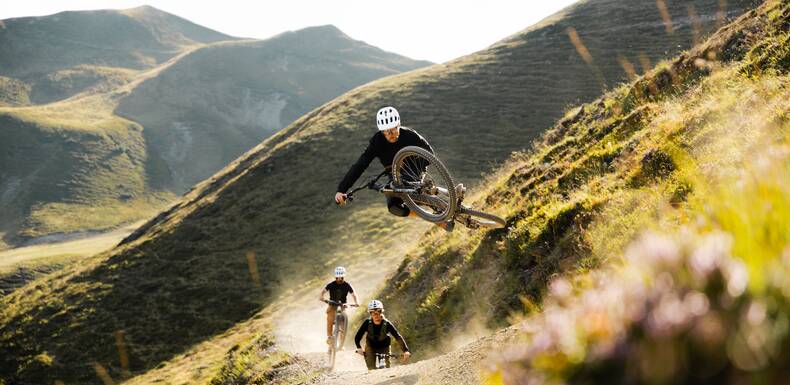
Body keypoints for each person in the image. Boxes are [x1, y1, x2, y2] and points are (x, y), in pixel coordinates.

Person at [334, 106, 454, 231]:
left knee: (410, 191)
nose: (391, 135)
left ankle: (439, 197)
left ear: (399, 125)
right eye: (387, 132)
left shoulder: (410, 135)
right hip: (394, 175)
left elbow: (429, 154)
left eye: (394, 129)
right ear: (382, 131)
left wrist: (416, 167)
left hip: (414, 170)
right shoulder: (377, 142)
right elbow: (360, 165)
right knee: (394, 208)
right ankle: (435, 219)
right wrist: (342, 189)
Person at [354, 299, 411, 370]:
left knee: (386, 368)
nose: (376, 315)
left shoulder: (387, 324)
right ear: (370, 313)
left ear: (382, 312)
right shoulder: (367, 323)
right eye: (373, 313)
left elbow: (397, 336)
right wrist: (359, 348)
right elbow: (357, 336)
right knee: (371, 368)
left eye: (379, 311)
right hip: (370, 347)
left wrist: (405, 351)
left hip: (384, 347)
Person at [319, 266, 360, 345]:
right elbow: (323, 291)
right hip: (332, 304)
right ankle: (330, 337)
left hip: (342, 305)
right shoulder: (331, 284)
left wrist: (356, 302)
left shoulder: (347, 285)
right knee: (330, 317)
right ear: (335, 277)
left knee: (343, 323)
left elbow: (354, 294)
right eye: (338, 277)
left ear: (343, 276)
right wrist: (321, 297)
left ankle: (341, 343)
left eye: (341, 277)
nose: (339, 279)